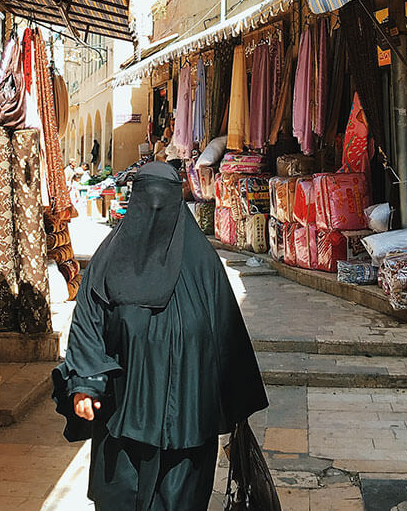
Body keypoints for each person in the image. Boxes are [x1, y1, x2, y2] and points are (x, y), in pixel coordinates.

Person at [52, 162, 267, 510]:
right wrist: (86, 384)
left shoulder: (202, 266)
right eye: (145, 200)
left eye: (162, 202)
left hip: (187, 423)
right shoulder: (109, 262)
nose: (153, 211)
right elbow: (88, 324)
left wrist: (234, 402)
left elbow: (228, 338)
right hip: (122, 415)